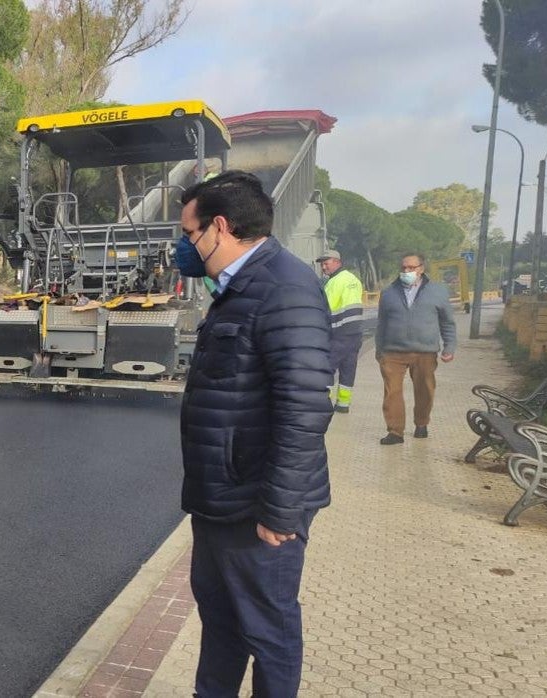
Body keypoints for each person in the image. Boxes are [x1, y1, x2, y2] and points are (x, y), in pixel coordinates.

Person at [176, 171, 333, 697]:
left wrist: (280, 509)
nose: (185, 247)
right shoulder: (237, 288)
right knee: (220, 623)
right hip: (221, 500)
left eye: (189, 234)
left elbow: (306, 404)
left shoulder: (284, 287)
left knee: (268, 631)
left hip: (257, 507)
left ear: (219, 228)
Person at [374, 253, 456, 445]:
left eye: (411, 268)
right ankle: (395, 432)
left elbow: (447, 323)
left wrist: (449, 346)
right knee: (392, 392)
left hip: (425, 352)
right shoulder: (388, 293)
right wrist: (380, 350)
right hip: (393, 352)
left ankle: (421, 423)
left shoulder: (438, 292)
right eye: (403, 268)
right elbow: (381, 324)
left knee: (425, 390)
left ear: (421, 269)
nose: (406, 271)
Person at [316, 249, 365, 413]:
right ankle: (343, 404)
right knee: (347, 370)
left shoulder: (344, 280)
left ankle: (323, 402)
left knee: (326, 368)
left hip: (340, 334)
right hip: (351, 335)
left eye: (326, 263)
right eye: (322, 264)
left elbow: (348, 310)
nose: (323, 267)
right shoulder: (335, 280)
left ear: (337, 262)